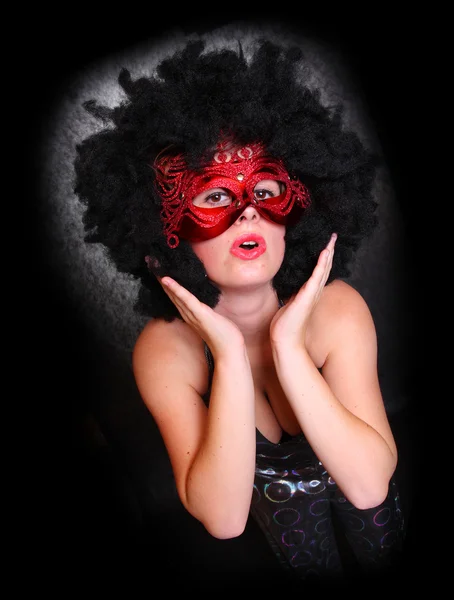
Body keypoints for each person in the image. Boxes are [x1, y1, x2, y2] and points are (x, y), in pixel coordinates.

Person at [73, 36, 405, 584]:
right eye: (214, 196)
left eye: (267, 188)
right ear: (164, 228)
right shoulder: (166, 350)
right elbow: (224, 520)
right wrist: (227, 352)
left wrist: (287, 347)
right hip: (294, 548)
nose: (248, 213)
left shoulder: (338, 311)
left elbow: (370, 487)